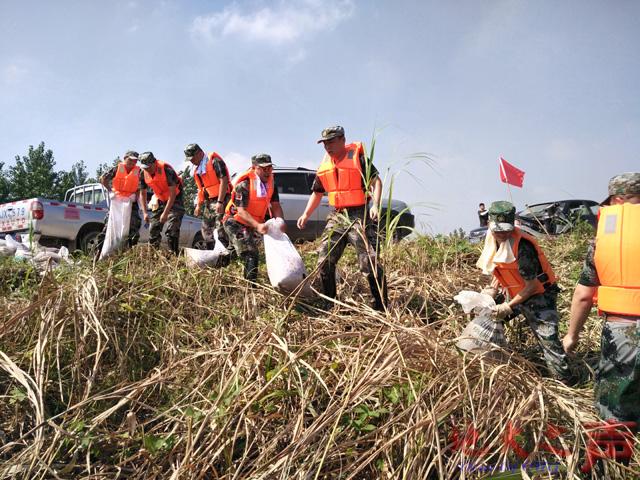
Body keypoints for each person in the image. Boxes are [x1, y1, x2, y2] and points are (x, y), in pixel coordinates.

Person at [562, 172, 640, 427]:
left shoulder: (602, 242)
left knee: (615, 409)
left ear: (616, 201)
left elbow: (584, 296)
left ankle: (616, 454)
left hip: (623, 331)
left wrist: (572, 336)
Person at [477, 201, 574, 384]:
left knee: (548, 340)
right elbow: (502, 266)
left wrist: (508, 306)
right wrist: (492, 289)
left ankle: (565, 381)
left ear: (513, 224)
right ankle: (489, 365)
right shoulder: (492, 240)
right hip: (514, 293)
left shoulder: (522, 247)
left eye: (506, 229)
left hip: (539, 296)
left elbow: (531, 286)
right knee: (485, 317)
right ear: (489, 223)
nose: (501, 233)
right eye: (497, 228)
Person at [297, 126, 388, 311]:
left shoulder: (358, 159)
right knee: (323, 259)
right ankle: (330, 303)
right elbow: (317, 193)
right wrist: (306, 214)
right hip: (338, 216)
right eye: (325, 144)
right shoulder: (325, 167)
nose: (328, 147)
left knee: (369, 260)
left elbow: (376, 182)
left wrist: (376, 206)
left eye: (331, 142)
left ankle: (382, 305)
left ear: (342, 140)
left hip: (359, 215)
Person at [222, 154, 285, 281]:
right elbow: (241, 212)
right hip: (234, 221)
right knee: (251, 252)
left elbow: (276, 206)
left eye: (270, 168)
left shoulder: (272, 185)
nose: (267, 172)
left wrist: (281, 222)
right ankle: (250, 287)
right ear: (254, 168)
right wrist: (257, 225)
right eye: (264, 169)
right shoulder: (244, 185)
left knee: (236, 250)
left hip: (250, 223)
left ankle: (219, 263)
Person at [184, 143, 232, 257]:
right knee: (206, 229)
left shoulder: (215, 161)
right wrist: (198, 205)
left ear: (200, 154)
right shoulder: (199, 169)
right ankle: (212, 255)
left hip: (222, 199)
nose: (191, 162)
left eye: (192, 158)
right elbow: (201, 188)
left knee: (221, 229)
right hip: (209, 201)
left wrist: (220, 202)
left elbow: (223, 181)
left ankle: (225, 257)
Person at [138, 152, 185, 255]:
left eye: (149, 167)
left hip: (175, 199)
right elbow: (142, 194)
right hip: (160, 199)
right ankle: (153, 255)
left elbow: (172, 194)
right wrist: (145, 212)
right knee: (154, 227)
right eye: (145, 167)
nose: (148, 170)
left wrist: (165, 213)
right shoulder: (143, 173)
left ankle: (174, 255)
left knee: (172, 229)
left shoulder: (167, 171)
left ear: (155, 162)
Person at [96, 150, 142, 252]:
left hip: (131, 202)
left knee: (133, 229)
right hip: (116, 201)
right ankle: (98, 254)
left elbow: (143, 186)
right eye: (130, 160)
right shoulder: (117, 169)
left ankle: (130, 255)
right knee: (108, 227)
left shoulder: (139, 172)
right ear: (125, 159)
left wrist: (136, 193)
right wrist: (110, 191)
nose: (132, 163)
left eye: (135, 161)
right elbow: (102, 178)